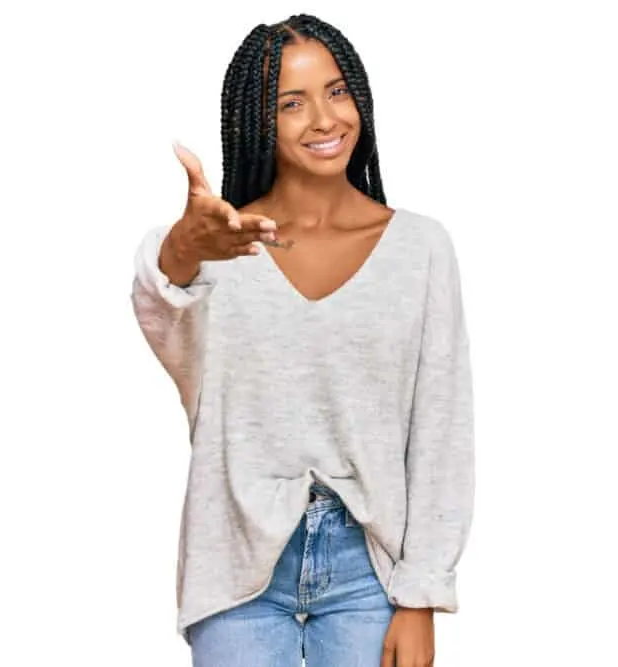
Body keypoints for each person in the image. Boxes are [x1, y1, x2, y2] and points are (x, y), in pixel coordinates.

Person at [130, 13, 475, 666]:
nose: (324, 118)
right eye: (292, 102)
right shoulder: (221, 250)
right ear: (257, 118)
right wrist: (181, 246)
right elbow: (160, 309)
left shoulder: (422, 248)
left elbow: (441, 429)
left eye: (337, 90)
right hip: (235, 569)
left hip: (370, 572)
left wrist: (423, 592)